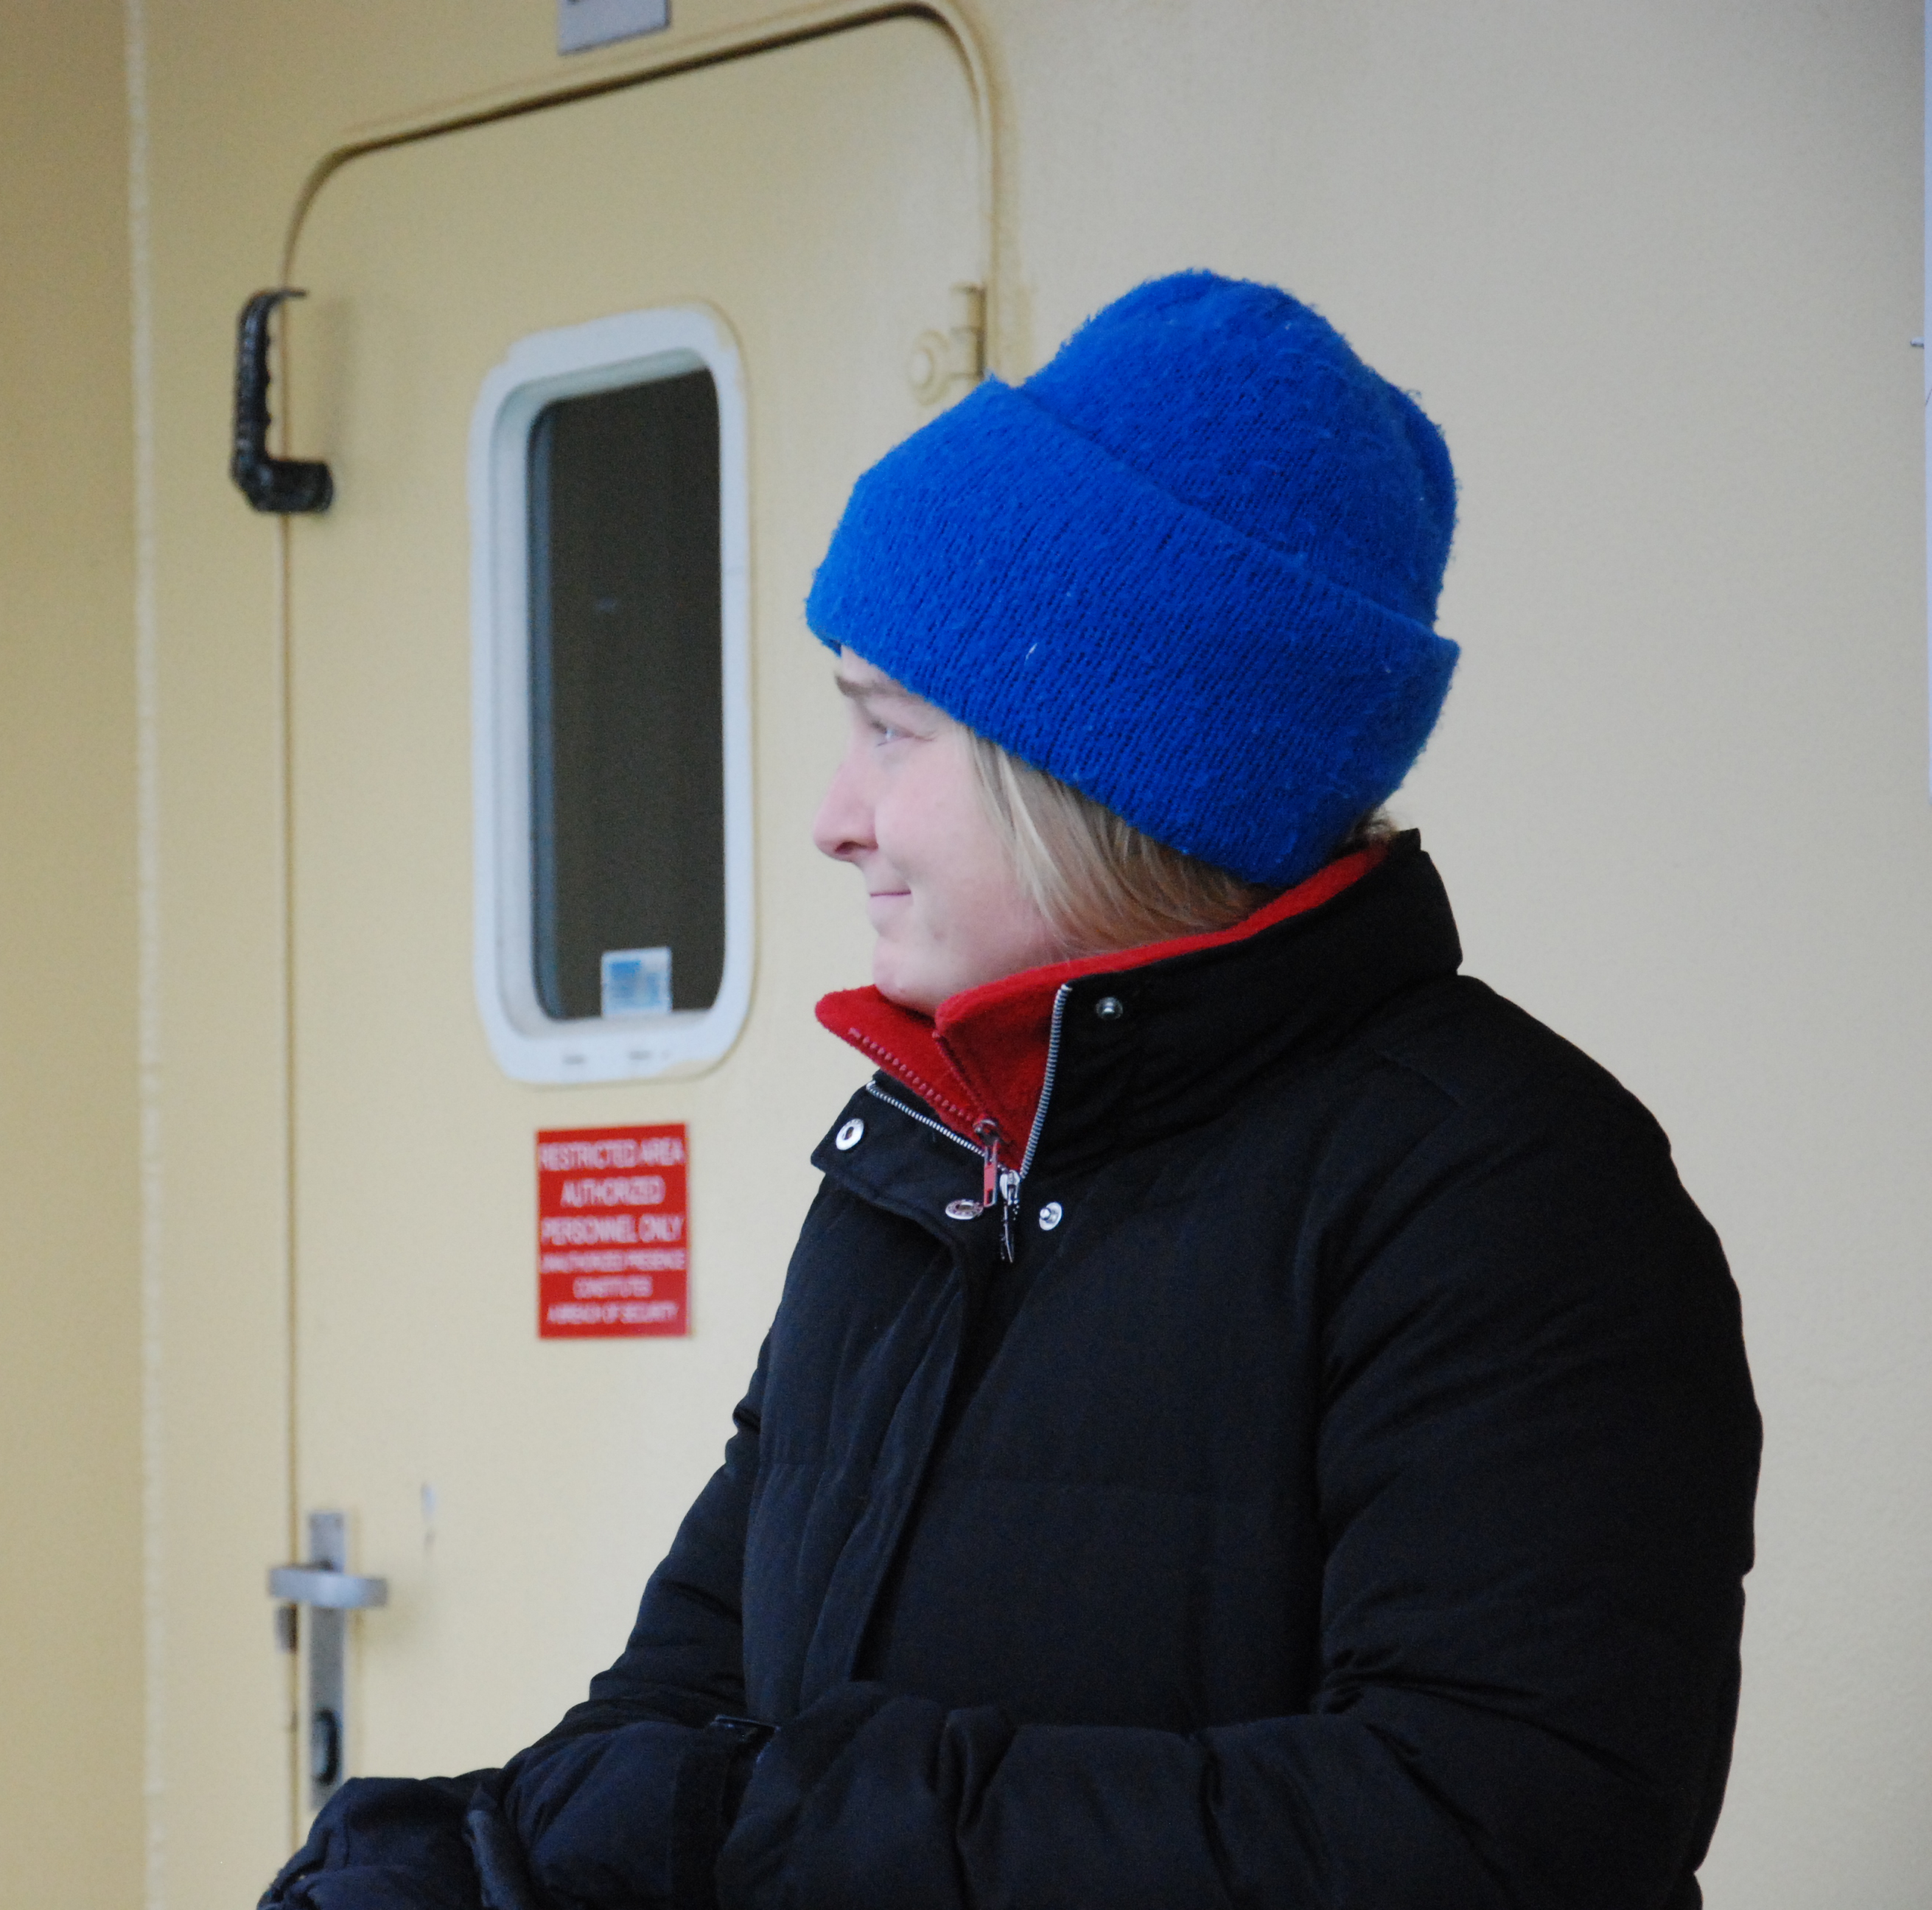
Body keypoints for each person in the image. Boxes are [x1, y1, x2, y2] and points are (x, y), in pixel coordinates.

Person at [262, 271, 1760, 1910]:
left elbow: (1498, 1830)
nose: (833, 817)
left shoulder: (1507, 1193)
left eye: (890, 732)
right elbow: (694, 1696)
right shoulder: (927, 1153)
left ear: (1103, 766)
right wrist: (479, 1864)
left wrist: (776, 1829)